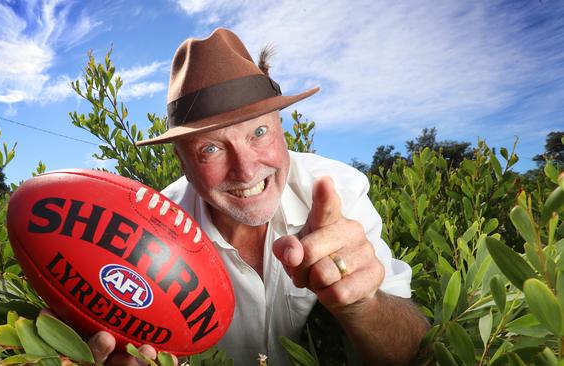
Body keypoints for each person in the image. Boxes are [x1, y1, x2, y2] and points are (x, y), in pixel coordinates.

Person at [87, 28, 429, 365]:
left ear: (282, 127)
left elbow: (415, 350)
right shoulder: (152, 230)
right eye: (211, 148)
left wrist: (362, 304)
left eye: (259, 132)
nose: (247, 171)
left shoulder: (339, 189)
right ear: (183, 162)